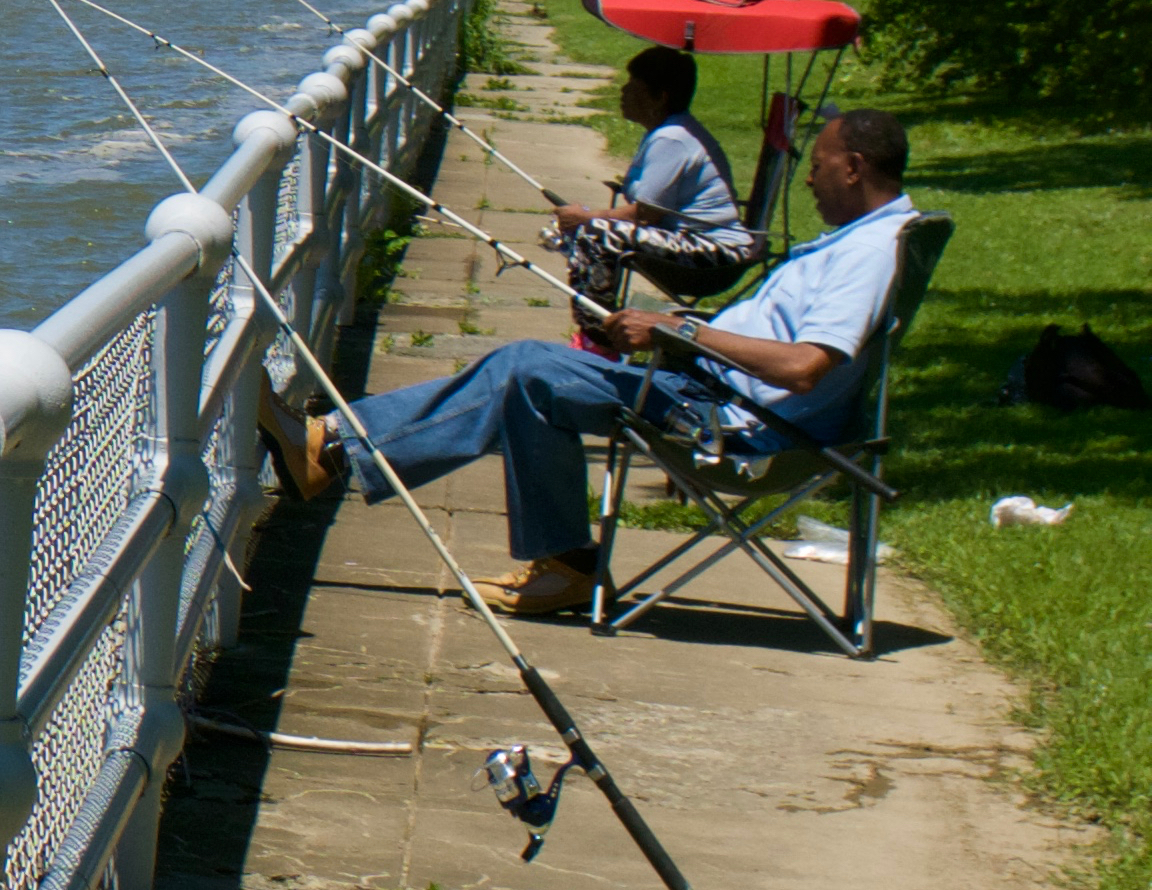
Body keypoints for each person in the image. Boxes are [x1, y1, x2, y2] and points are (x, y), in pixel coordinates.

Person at [268, 110, 918, 618]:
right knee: (528, 377)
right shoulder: (866, 238)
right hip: (708, 388)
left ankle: (335, 450)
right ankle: (564, 564)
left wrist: (678, 329)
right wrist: (677, 334)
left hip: (738, 424)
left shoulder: (868, 253)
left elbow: (804, 367)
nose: (808, 178)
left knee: (527, 371)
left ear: (854, 167)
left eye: (819, 165)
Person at [554, 45, 763, 323]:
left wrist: (587, 217)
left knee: (595, 232)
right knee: (593, 229)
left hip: (713, 253)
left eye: (634, 85)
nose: (623, 91)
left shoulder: (672, 139)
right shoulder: (668, 131)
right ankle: (601, 325)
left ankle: (597, 330)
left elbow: (646, 214)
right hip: (693, 243)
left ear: (660, 97)